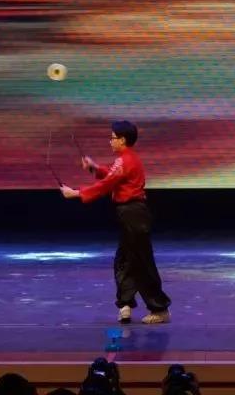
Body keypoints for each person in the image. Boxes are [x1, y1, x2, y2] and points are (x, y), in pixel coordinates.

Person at [61, 120, 171, 324]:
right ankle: (125, 304)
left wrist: (75, 193)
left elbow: (106, 184)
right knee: (124, 261)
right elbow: (112, 175)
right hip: (129, 214)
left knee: (140, 262)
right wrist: (94, 167)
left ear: (122, 140)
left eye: (112, 138)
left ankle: (159, 309)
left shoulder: (125, 160)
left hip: (133, 214)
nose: (110, 141)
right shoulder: (125, 159)